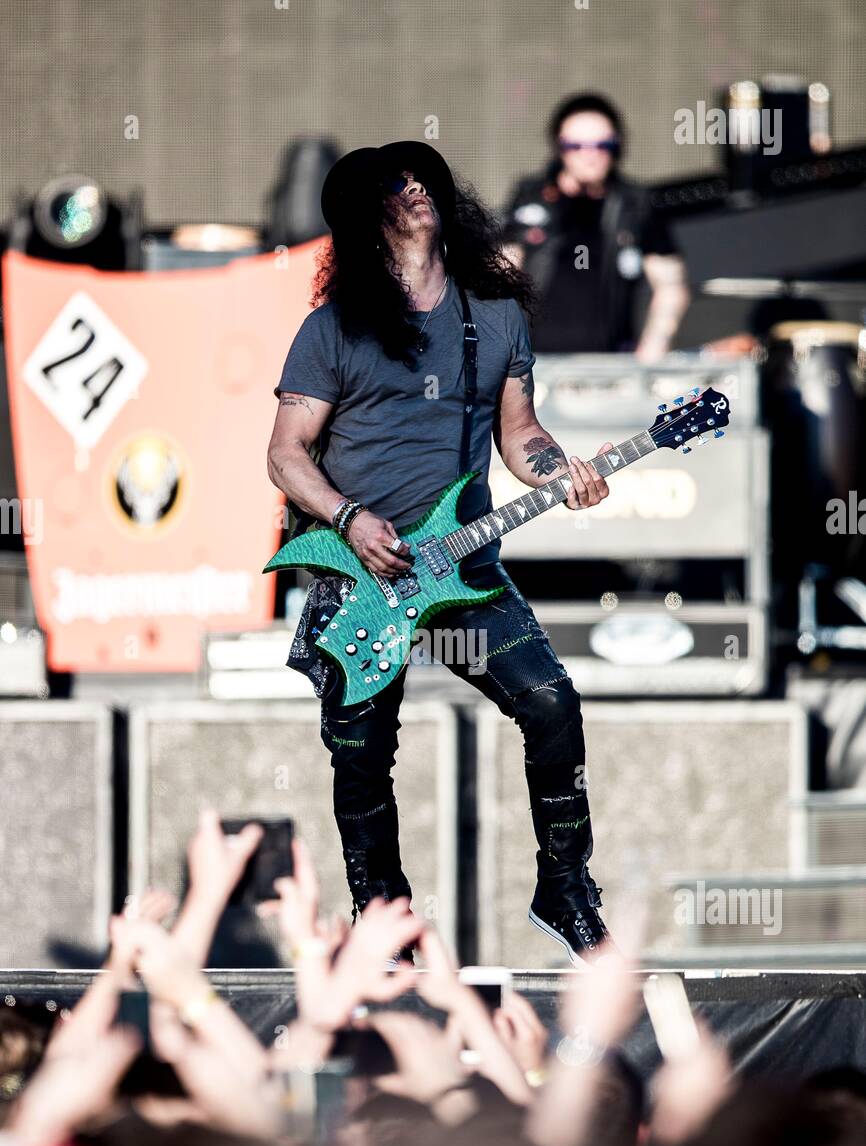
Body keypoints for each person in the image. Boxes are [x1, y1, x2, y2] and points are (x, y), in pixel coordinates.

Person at [267, 140, 615, 966]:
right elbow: (285, 455)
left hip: (462, 561)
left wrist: (561, 471)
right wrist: (348, 518)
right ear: (365, 216)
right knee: (361, 751)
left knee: (552, 704)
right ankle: (382, 920)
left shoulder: (494, 316)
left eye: (426, 176)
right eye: (396, 183)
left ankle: (564, 885)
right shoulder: (333, 330)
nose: (417, 189)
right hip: (358, 568)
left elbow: (520, 434)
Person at [501, 94, 689, 359]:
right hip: (534, 364)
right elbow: (501, 275)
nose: (590, 156)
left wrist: (651, 354)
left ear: (617, 146)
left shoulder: (633, 204)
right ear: (559, 147)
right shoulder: (531, 198)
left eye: (603, 145)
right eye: (576, 146)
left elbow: (670, 285)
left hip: (610, 367)